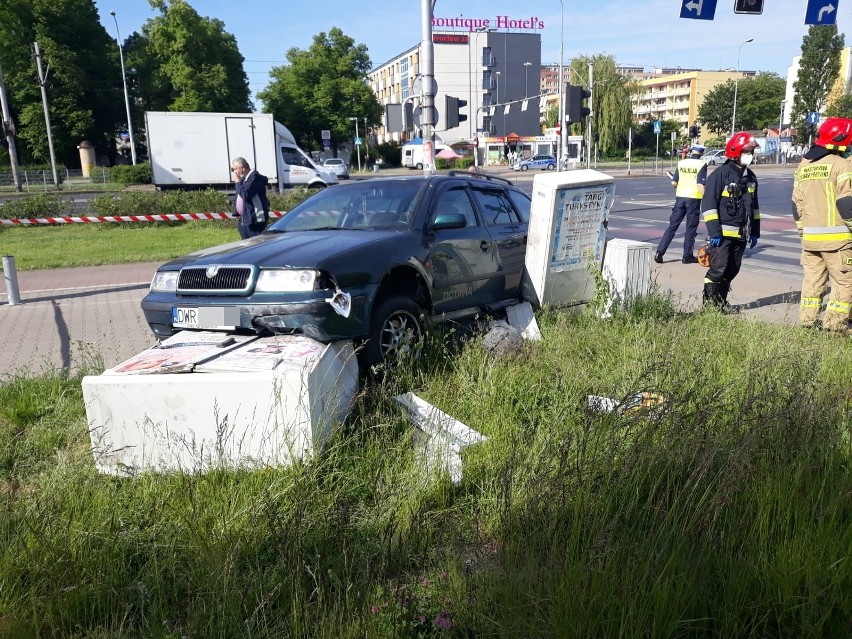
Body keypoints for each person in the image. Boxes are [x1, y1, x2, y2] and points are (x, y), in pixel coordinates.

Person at [791, 117, 852, 333]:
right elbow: (846, 203)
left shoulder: (804, 165)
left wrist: (802, 232)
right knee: (844, 283)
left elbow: (795, 204)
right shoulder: (842, 165)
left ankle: (807, 323)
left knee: (813, 282)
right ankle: (834, 328)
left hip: (810, 241)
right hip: (837, 242)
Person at [700, 132, 761, 312]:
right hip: (723, 237)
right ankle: (709, 306)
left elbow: (754, 207)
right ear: (736, 152)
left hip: (741, 235)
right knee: (717, 270)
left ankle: (720, 303)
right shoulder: (720, 175)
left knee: (732, 270)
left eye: (751, 152)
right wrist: (714, 232)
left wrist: (756, 231)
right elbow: (709, 205)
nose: (750, 155)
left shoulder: (750, 177)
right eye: (748, 151)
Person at [655, 144, 708, 264]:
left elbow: (674, 182)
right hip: (693, 199)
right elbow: (700, 184)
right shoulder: (702, 164)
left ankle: (659, 253)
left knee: (672, 227)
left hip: (680, 199)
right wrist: (707, 197)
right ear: (702, 153)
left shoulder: (682, 163)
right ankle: (687, 256)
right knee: (690, 228)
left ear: (691, 151)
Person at [231, 157, 270, 239]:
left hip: (255, 220)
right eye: (232, 169)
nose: (234, 172)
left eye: (235, 169)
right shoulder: (244, 179)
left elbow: (246, 194)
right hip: (244, 219)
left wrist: (238, 182)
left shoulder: (255, 178)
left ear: (243, 168)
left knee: (255, 247)